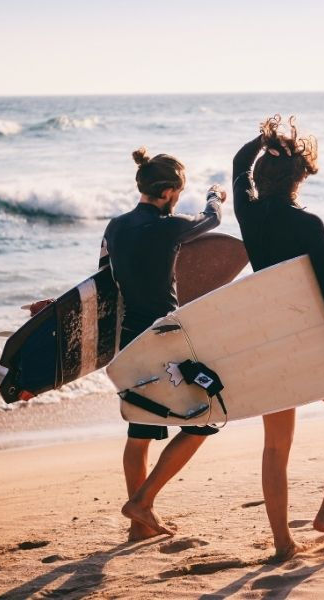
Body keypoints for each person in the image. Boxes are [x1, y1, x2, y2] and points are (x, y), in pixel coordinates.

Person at [231, 115, 324, 560]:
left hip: (271, 341)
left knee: (276, 444)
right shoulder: (308, 225)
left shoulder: (247, 214)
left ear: (260, 176)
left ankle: (282, 543)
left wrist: (265, 139)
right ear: (299, 178)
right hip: (313, 341)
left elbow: (238, 162)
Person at [105, 147, 227, 540]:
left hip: (130, 342)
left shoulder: (115, 227)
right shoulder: (170, 227)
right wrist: (214, 195)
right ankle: (142, 503)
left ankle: (140, 526)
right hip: (165, 339)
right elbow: (212, 220)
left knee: (140, 433)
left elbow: (104, 284)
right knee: (206, 417)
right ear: (172, 191)